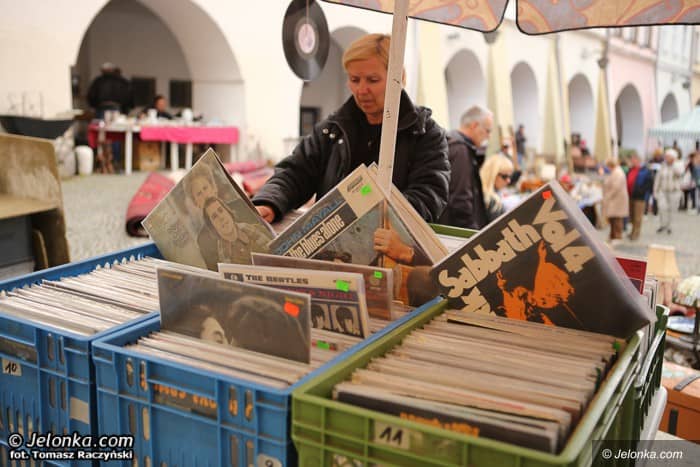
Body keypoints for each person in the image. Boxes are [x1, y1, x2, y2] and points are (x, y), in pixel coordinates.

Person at [252, 34, 449, 224]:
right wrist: (269, 202)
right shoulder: (331, 131)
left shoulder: (425, 134)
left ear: (398, 78)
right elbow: (295, 173)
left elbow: (428, 194)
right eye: (355, 80)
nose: (362, 90)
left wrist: (377, 219)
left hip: (389, 242)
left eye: (373, 80)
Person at [438, 105, 492, 229]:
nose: (488, 136)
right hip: (457, 230)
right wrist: (473, 232)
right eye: (487, 131)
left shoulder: (450, 144)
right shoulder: (460, 149)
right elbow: (460, 198)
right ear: (474, 125)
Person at [202, 197, 272, 265]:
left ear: (228, 211)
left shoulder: (259, 229)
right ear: (212, 226)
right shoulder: (221, 260)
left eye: (221, 210)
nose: (221, 217)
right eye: (214, 216)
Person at [653, 149, 683, 234]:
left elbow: (680, 174)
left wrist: (673, 165)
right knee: (662, 207)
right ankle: (662, 225)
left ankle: (670, 226)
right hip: (663, 191)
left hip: (674, 191)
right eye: (666, 156)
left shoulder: (678, 164)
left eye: (668, 156)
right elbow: (658, 178)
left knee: (672, 209)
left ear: (673, 157)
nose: (666, 158)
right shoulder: (663, 165)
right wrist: (655, 190)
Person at [479, 153, 514, 223]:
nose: (508, 181)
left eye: (510, 176)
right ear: (492, 175)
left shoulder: (482, 194)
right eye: (504, 176)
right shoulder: (492, 202)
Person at [602, 158, 629, 243]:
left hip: (617, 199)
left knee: (617, 219)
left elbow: (616, 187)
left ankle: (617, 237)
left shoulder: (618, 172)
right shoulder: (615, 172)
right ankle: (613, 236)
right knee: (612, 219)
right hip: (614, 199)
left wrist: (608, 196)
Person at [627, 152, 653, 241]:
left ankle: (636, 233)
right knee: (632, 216)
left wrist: (641, 192)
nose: (632, 161)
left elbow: (648, 184)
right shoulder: (631, 169)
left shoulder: (645, 170)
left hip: (640, 197)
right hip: (631, 195)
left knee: (638, 217)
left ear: (638, 160)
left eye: (634, 159)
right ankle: (632, 231)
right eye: (631, 160)